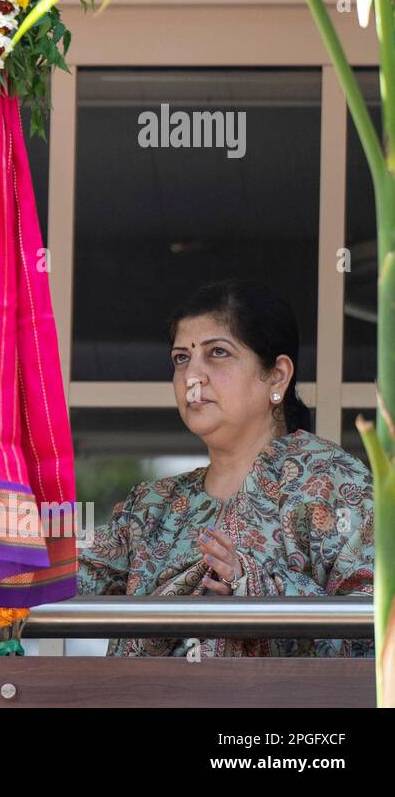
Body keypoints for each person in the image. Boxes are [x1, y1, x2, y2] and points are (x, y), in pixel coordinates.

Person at [77, 279, 375, 657]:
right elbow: (64, 574)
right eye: (181, 358)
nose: (192, 377)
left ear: (277, 376)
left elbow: (377, 628)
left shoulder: (330, 481)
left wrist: (252, 585)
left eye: (217, 353)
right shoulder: (152, 507)